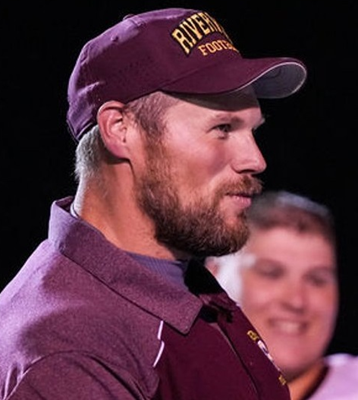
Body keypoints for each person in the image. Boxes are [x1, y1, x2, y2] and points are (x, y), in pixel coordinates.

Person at [0, 8, 307, 400]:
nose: (256, 160)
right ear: (120, 129)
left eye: (252, 130)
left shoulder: (176, 272)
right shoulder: (67, 351)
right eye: (223, 128)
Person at [207, 190, 358, 400]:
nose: (296, 301)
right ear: (213, 278)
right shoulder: (164, 384)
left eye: (317, 280)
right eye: (271, 273)